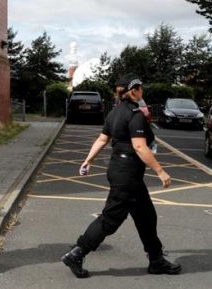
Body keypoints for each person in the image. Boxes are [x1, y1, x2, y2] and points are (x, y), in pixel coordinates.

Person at [61, 73, 181, 278]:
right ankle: (77, 253)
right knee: (110, 219)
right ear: (134, 91)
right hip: (127, 175)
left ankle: (156, 260)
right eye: (141, 88)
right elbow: (140, 147)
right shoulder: (135, 115)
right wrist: (161, 171)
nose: (143, 91)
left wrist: (88, 160)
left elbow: (101, 139)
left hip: (122, 170)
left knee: (146, 216)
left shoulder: (115, 113)